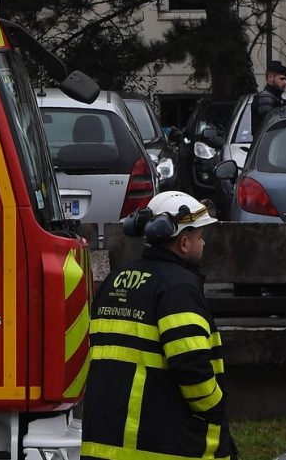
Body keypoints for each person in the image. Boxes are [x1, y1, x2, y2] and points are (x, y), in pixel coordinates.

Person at [81, 191, 236, 460]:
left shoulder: (116, 280)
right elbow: (190, 363)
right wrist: (215, 409)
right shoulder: (178, 289)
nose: (204, 243)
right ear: (184, 243)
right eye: (200, 236)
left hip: (104, 444)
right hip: (167, 445)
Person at [251, 59, 286, 135]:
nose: (285, 83)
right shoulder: (265, 98)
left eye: (285, 79)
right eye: (281, 79)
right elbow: (270, 127)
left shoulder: (276, 98)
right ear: (270, 78)